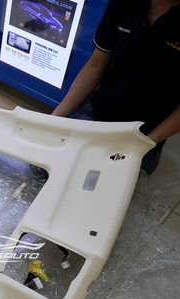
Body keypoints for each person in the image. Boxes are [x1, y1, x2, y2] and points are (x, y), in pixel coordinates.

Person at [52, 0, 180, 174]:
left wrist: (147, 144)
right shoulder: (123, 4)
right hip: (98, 112)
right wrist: (55, 118)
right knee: (45, 167)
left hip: (144, 135)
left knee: (98, 184)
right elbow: (95, 65)